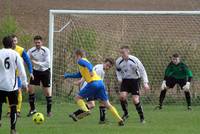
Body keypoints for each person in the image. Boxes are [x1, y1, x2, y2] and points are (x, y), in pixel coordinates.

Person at [63, 49, 124, 126]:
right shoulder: (90, 65)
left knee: (77, 98)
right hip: (100, 84)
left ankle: (85, 111)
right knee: (106, 104)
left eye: (75, 56)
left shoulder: (80, 60)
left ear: (78, 55)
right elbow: (79, 74)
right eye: (107, 65)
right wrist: (67, 75)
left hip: (92, 84)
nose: (75, 58)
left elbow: (89, 66)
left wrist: (91, 71)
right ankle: (119, 119)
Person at [69, 58, 114, 124]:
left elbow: (89, 74)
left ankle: (75, 114)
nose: (108, 67)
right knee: (96, 103)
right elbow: (92, 77)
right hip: (90, 87)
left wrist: (80, 81)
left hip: (92, 87)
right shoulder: (99, 70)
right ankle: (102, 120)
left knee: (94, 104)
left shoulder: (99, 67)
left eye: (109, 67)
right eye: (107, 65)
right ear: (104, 62)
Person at [0, 36, 28, 134]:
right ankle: (13, 129)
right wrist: (25, 84)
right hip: (12, 86)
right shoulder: (15, 54)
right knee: (13, 107)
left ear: (3, 43)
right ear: (12, 44)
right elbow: (22, 71)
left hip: (0, 85)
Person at [116, 46, 150, 123]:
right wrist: (119, 78)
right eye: (121, 53)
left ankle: (142, 118)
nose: (122, 54)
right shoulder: (118, 61)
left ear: (128, 52)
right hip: (125, 80)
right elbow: (118, 71)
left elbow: (142, 71)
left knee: (135, 100)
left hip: (135, 80)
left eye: (123, 52)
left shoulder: (135, 60)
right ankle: (126, 113)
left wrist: (145, 83)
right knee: (122, 97)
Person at [6, 34, 33, 117]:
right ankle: (9, 111)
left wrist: (31, 72)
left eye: (15, 41)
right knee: (8, 93)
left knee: (18, 92)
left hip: (17, 76)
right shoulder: (5, 50)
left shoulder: (21, 50)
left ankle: (18, 111)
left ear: (17, 41)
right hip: (7, 76)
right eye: (12, 41)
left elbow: (28, 61)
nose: (14, 42)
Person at [27, 35, 52, 117]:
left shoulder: (46, 50)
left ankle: (49, 111)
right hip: (35, 72)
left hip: (45, 71)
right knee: (30, 89)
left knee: (47, 93)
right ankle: (33, 109)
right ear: (34, 42)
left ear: (42, 42)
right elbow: (26, 58)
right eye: (36, 42)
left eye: (39, 42)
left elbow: (47, 63)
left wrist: (37, 63)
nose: (37, 44)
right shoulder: (31, 51)